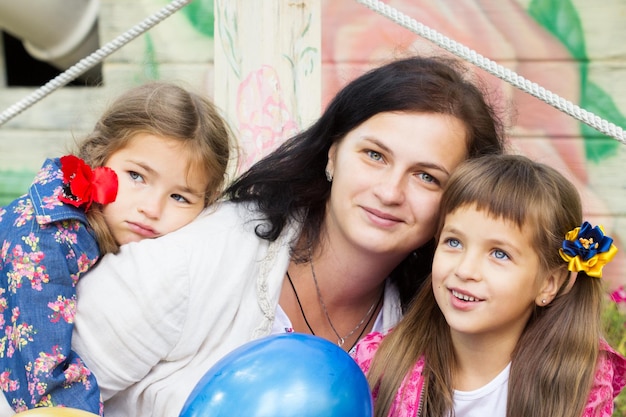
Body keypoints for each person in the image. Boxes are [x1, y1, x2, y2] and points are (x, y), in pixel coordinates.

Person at [53, 55, 505, 417]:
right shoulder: (208, 251)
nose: (389, 192)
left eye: (427, 177)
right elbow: (25, 394)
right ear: (332, 153)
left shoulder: (428, 327)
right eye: (374, 155)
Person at [0, 82, 232, 415]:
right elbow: (42, 385)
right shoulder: (46, 241)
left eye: (179, 197)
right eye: (137, 176)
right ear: (98, 156)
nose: (152, 208)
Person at [353, 154, 626, 417]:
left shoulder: (578, 385)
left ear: (548, 284)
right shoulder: (380, 366)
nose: (465, 270)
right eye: (454, 242)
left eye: (499, 254)